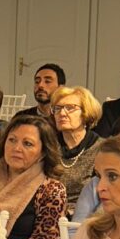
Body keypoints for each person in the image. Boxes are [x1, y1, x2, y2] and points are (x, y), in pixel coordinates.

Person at [49, 86, 103, 215]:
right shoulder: (48, 144)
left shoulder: (102, 148)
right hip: (48, 211)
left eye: (70, 108)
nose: (62, 113)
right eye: (57, 108)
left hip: (85, 215)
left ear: (86, 113)